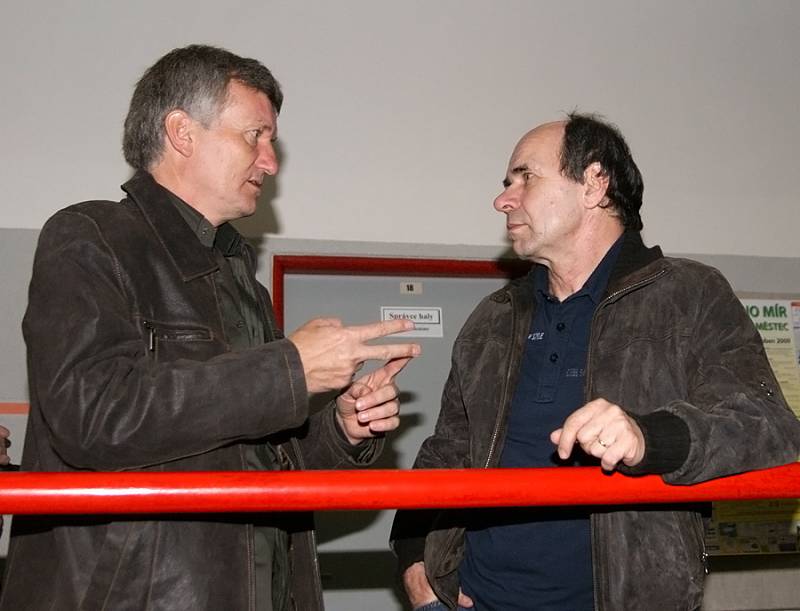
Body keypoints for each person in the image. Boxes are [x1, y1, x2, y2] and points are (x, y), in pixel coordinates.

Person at [0, 44, 420, 611]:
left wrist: (343, 428)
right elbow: (91, 416)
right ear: (182, 132)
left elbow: (268, 457)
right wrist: (288, 368)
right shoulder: (90, 236)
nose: (270, 162)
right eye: (255, 135)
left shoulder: (235, 273)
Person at [390, 113, 800, 611]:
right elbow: (445, 452)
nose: (503, 199)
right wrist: (415, 568)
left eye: (525, 177)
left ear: (594, 184)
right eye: (506, 184)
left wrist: (649, 436)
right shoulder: (494, 318)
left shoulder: (689, 294)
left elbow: (769, 428)